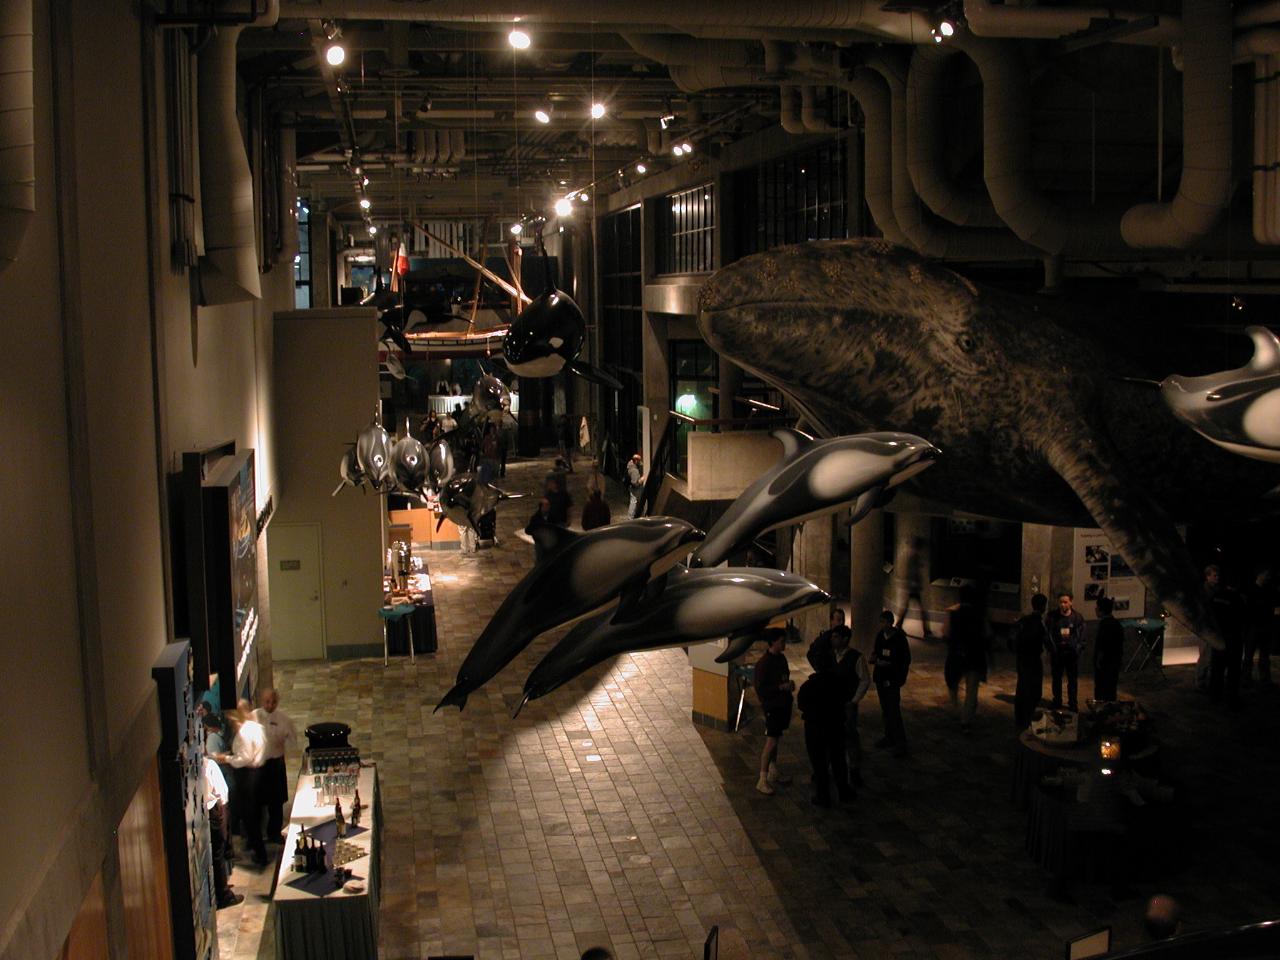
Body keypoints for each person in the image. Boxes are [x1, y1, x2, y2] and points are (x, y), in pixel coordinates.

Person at [809, 623, 870, 787]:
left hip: (847, 704)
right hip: (832, 704)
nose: (833, 639)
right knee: (829, 737)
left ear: (845, 639)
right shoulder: (830, 656)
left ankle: (854, 771)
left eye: (836, 637)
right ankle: (826, 769)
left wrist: (854, 700)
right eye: (832, 637)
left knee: (850, 738)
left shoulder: (856, 657)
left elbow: (864, 680)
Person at [214, 701, 269, 866]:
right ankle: (253, 843)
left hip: (247, 776)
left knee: (249, 815)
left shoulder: (244, 733)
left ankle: (260, 853)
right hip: (258, 773)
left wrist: (227, 758)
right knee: (254, 813)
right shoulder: (255, 727)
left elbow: (243, 758)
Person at [797, 665, 853, 807]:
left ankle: (823, 796)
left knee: (819, 763)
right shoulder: (839, 683)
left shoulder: (809, 686)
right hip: (835, 726)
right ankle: (843, 791)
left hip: (815, 728)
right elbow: (847, 697)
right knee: (838, 759)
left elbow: (802, 704)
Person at [753, 628, 795, 794]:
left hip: (782, 704)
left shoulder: (781, 658)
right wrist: (780, 687)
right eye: (782, 641)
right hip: (773, 706)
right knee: (771, 742)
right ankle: (762, 778)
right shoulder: (764, 663)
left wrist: (788, 685)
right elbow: (761, 689)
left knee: (776, 739)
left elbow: (784, 676)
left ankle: (773, 769)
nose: (784, 644)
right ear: (773, 642)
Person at [254, 687, 297, 843]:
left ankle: (274, 833)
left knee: (276, 802)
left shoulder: (284, 719)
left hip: (276, 764)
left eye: (273, 702)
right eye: (267, 701)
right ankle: (258, 835)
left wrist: (283, 744)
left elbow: (293, 742)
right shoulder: (254, 717)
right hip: (259, 765)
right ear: (262, 701)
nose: (270, 705)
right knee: (257, 802)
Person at [944, 586, 987, 731]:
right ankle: (965, 720)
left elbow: (946, 632)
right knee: (972, 690)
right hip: (974, 656)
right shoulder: (979, 614)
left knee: (953, 684)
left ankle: (956, 709)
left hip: (956, 654)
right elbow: (987, 633)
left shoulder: (953, 613)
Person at [202, 753, 242, 908]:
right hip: (215, 810)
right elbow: (222, 792)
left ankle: (218, 886)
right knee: (219, 852)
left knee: (212, 853)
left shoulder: (203, 765)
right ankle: (224, 894)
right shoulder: (209, 764)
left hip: (204, 813)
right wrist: (225, 812)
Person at [870, 610, 911, 757]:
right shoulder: (880, 636)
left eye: (885, 622)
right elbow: (876, 651)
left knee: (893, 710)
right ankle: (889, 736)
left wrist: (892, 667)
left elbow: (904, 659)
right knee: (885, 709)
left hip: (892, 679)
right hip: (881, 678)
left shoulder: (899, 638)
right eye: (881, 622)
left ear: (891, 622)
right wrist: (875, 659)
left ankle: (901, 743)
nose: (883, 625)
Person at [1011, 593, 1050, 730]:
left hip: (1021, 658)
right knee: (1034, 689)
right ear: (1044, 607)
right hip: (1033, 659)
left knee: (1022, 686)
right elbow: (1048, 642)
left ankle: (1020, 717)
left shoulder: (1023, 620)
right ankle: (1028, 717)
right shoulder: (1040, 622)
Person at [1045, 591, 1086, 711]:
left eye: (1065, 602)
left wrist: (1077, 649)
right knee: (1056, 678)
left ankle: (1073, 703)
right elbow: (1047, 634)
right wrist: (1052, 649)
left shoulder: (1077, 617)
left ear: (1071, 602)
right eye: (1061, 602)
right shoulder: (1052, 617)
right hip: (1057, 653)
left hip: (1071, 654)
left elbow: (1082, 636)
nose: (1063, 605)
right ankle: (1057, 701)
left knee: (1072, 680)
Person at [1243, 566, 1276, 683]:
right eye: (1266, 574)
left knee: (1264, 656)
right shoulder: (1251, 590)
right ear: (1260, 574)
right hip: (1253, 626)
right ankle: (1246, 679)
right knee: (1249, 655)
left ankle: (1265, 679)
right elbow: (1248, 609)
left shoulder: (1268, 590)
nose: (1268, 577)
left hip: (1265, 627)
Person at [897, 536, 933, 639]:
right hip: (913, 587)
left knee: (906, 608)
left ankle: (899, 625)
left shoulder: (911, 554)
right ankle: (927, 631)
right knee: (922, 609)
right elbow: (912, 572)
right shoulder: (914, 555)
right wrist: (915, 584)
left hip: (911, 586)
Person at [1093, 596, 1124, 702]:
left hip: (1106, 664)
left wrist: (1098, 660)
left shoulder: (1105, 625)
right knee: (1110, 689)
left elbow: (1103, 645)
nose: (1095, 609)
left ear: (1101, 610)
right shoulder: (1116, 624)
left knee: (1103, 689)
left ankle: (1103, 711)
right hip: (1114, 662)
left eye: (1097, 607)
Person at [526, 497, 555, 562]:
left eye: (548, 505)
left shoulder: (552, 516)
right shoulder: (536, 518)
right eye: (546, 505)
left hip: (550, 542)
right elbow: (528, 530)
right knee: (539, 559)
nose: (548, 507)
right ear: (541, 506)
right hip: (540, 543)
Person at [625, 453, 645, 519]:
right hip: (635, 489)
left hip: (632, 489)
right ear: (636, 461)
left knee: (634, 502)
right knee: (634, 503)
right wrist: (641, 480)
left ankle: (633, 516)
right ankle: (631, 517)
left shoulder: (630, 465)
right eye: (639, 460)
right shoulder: (634, 471)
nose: (640, 462)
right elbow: (635, 483)